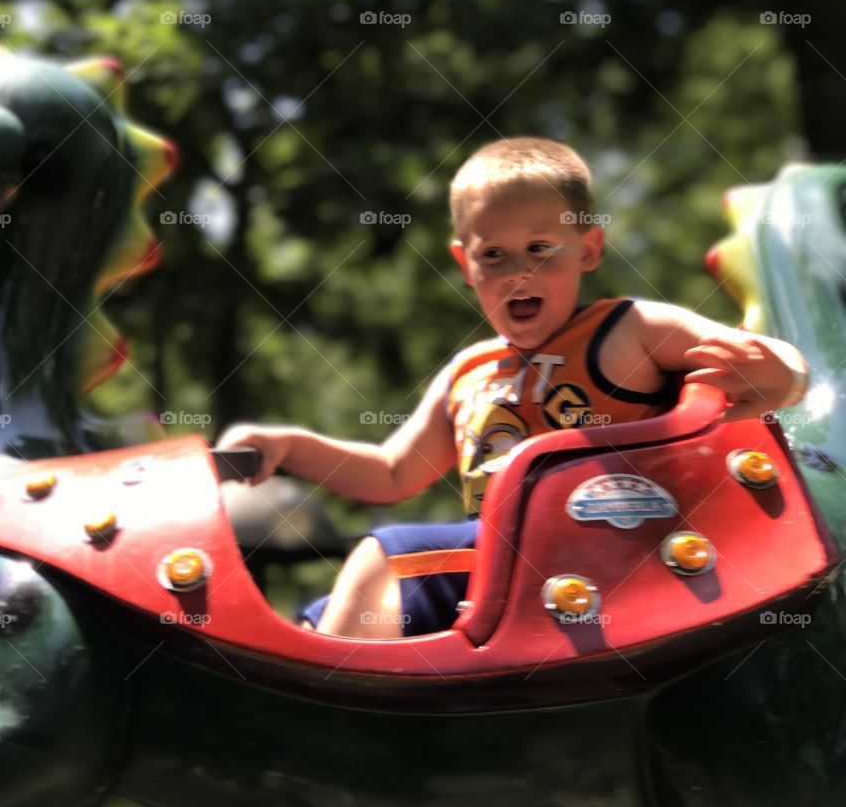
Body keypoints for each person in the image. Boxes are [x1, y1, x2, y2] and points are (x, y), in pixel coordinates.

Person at [216, 137, 810, 640]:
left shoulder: (627, 330)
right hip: (499, 569)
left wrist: (782, 370)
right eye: (493, 255)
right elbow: (392, 471)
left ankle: (334, 712)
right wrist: (289, 446)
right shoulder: (469, 371)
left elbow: (759, 357)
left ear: (589, 249)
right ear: (464, 262)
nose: (517, 273)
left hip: (612, 545)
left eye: (539, 249)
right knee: (321, 617)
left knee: (385, 560)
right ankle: (357, 705)